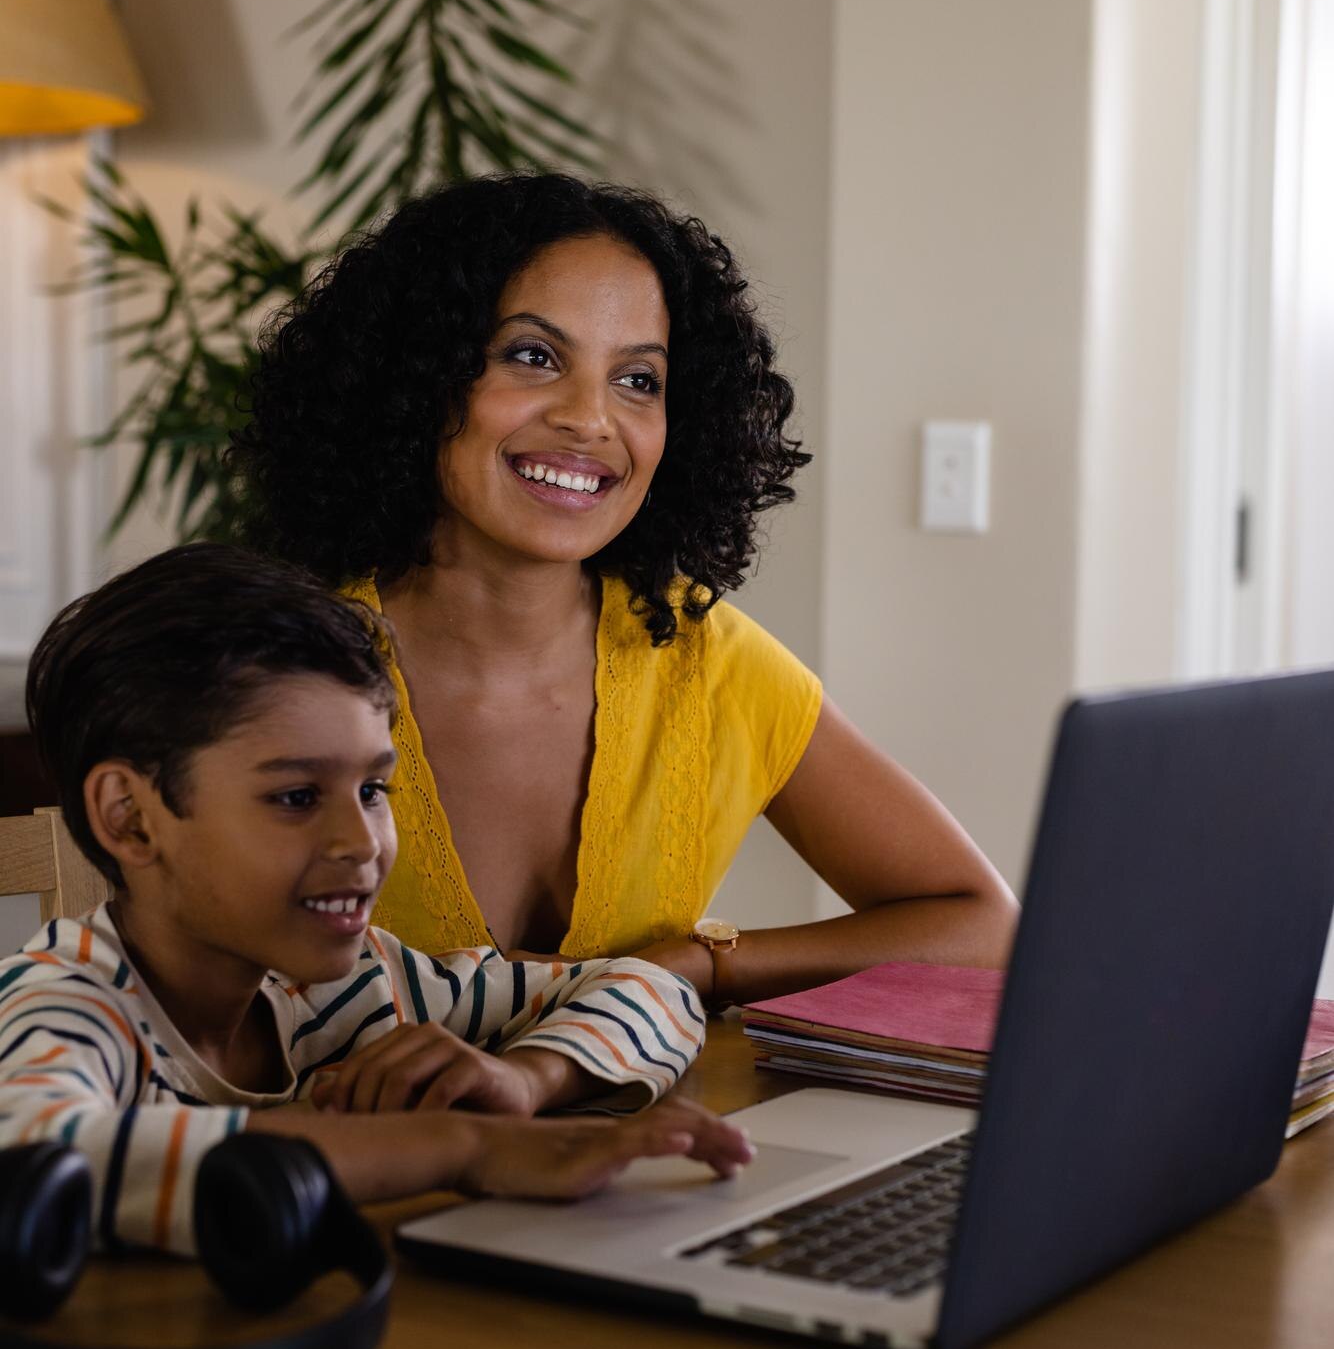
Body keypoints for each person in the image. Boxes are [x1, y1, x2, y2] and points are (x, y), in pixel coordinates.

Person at [232, 174, 1018, 1006]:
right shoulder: (264, 671)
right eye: (533, 356)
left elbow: (982, 929)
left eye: (639, 379)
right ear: (417, 378)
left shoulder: (708, 664)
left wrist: (694, 965)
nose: (590, 418)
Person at [0, 545, 750, 1255]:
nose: (362, 843)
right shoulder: (61, 1005)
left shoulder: (358, 985)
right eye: (296, 797)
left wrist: (529, 1079)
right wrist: (463, 1146)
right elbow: (33, 1163)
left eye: (372, 789)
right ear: (131, 818)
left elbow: (653, 989)